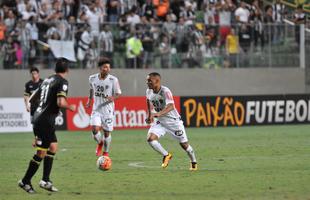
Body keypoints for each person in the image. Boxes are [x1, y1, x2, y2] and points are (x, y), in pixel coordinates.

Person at [18, 58, 76, 194]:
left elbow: (31, 98)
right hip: (45, 121)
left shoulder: (47, 80)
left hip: (39, 118)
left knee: (53, 146)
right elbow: (61, 102)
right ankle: (25, 181)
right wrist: (70, 107)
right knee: (41, 152)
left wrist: (39, 108)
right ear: (67, 70)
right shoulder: (63, 82)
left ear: (55, 69)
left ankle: (45, 180)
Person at [145, 72, 198, 170]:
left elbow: (171, 106)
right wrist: (149, 115)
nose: (147, 82)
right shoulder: (148, 91)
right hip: (160, 122)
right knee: (150, 139)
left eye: (149, 81)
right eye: (147, 80)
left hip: (173, 122)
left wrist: (158, 113)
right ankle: (166, 155)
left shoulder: (165, 91)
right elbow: (148, 101)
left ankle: (193, 161)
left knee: (184, 145)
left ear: (157, 81)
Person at [86, 57, 121, 157]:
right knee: (94, 129)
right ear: (100, 68)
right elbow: (91, 89)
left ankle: (106, 152)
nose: (107, 69)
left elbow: (118, 93)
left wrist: (113, 98)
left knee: (106, 133)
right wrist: (89, 100)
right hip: (96, 108)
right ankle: (100, 143)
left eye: (108, 67)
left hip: (108, 110)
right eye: (105, 67)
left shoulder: (113, 80)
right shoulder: (92, 78)